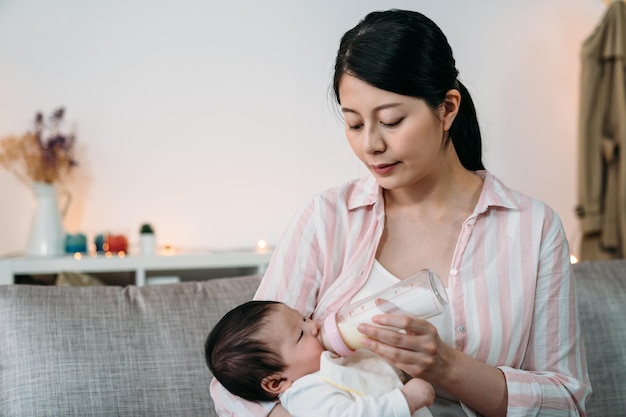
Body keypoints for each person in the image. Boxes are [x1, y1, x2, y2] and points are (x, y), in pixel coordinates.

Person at [210, 8, 592, 417]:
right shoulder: (326, 219)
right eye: (354, 124)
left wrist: (447, 367)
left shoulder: (532, 228)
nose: (370, 145)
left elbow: (566, 401)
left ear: (447, 109)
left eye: (391, 121)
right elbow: (235, 384)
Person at [205, 300, 434, 417]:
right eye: (301, 334)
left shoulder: (332, 363)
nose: (315, 325)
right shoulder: (307, 393)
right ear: (278, 382)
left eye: (304, 318)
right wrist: (406, 399)